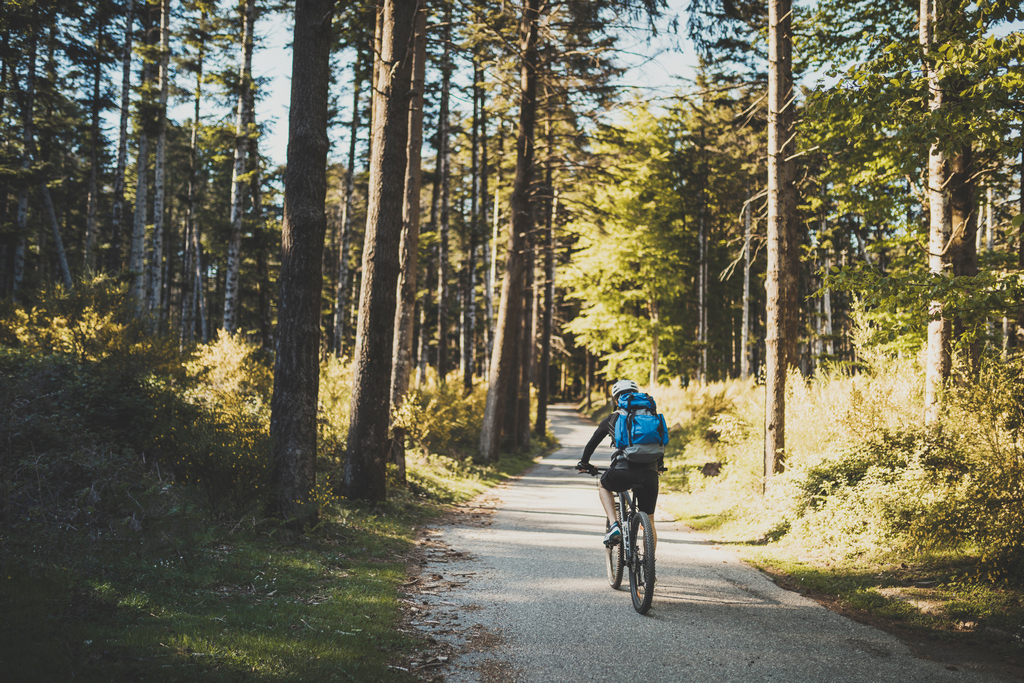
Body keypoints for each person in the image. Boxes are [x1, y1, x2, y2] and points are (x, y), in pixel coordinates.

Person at [576, 379, 662, 548]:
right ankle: (650, 569)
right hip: (650, 473)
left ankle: (614, 524)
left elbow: (591, 445)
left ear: (616, 400)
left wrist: (584, 464)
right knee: (649, 521)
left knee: (603, 485)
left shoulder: (612, 418)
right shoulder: (651, 415)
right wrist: (659, 466)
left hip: (623, 472)